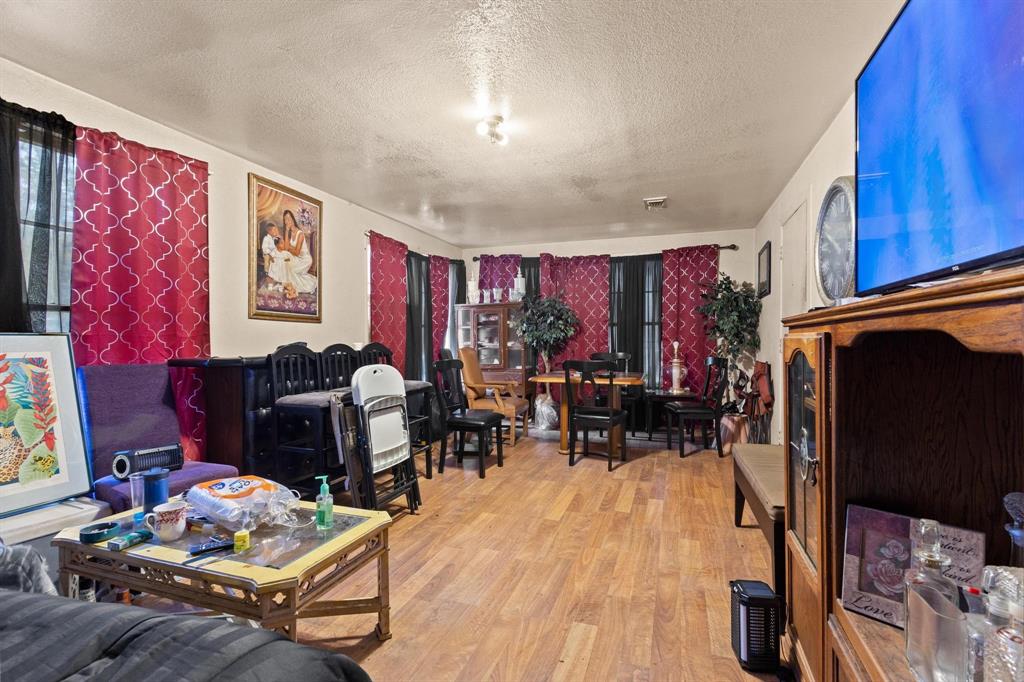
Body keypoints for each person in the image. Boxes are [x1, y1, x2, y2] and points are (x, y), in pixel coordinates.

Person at [281, 209, 317, 298]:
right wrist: (286, 231)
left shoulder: (300, 234)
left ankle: (312, 282)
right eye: (285, 219)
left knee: (289, 267)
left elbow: (297, 252)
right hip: (297, 258)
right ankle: (290, 286)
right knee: (285, 259)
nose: (288, 221)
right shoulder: (288, 232)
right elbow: (286, 249)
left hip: (305, 259)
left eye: (289, 218)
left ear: (293, 219)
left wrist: (290, 248)